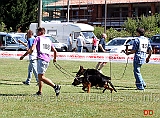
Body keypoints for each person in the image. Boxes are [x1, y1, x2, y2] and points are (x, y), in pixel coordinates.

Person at [29, 27, 61, 96]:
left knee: (41, 77)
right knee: (40, 75)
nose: (37, 33)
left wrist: (31, 51)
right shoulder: (48, 40)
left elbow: (33, 47)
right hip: (47, 59)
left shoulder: (38, 38)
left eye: (37, 31)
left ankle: (55, 86)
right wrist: (55, 58)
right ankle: (39, 91)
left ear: (40, 32)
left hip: (41, 59)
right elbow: (55, 51)